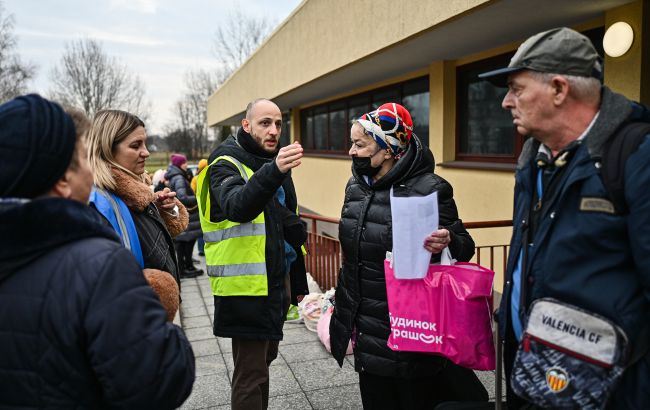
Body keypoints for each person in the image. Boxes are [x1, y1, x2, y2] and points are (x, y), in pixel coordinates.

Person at [479, 27, 650, 408]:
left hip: (608, 391)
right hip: (534, 374)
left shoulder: (636, 157)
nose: (507, 102)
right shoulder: (534, 161)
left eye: (517, 88)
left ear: (559, 89)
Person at [0, 94, 195, 408]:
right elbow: (160, 378)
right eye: (83, 158)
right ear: (64, 179)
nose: (92, 170)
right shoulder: (99, 256)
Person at [329, 103, 486, 409]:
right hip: (367, 325)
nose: (351, 151)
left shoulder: (429, 188)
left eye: (360, 145)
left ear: (388, 149)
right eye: (352, 143)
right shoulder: (355, 187)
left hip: (413, 328)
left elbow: (465, 245)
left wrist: (448, 240)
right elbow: (354, 257)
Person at [197, 98, 309, 410]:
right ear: (246, 125)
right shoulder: (225, 162)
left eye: (278, 123)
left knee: (264, 363)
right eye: (264, 123)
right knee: (250, 372)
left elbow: (284, 222)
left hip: (276, 279)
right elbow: (238, 206)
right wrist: (274, 171)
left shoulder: (270, 159)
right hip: (246, 286)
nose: (274, 130)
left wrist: (296, 282)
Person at [87, 110, 189, 318]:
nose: (146, 152)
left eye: (144, 143)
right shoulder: (98, 202)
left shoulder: (136, 193)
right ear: (107, 149)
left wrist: (163, 211)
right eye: (135, 145)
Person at [166, 153, 204, 278]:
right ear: (180, 164)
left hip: (182, 214)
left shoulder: (176, 176)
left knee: (183, 243)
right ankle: (187, 268)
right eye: (185, 163)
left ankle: (184, 268)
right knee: (187, 242)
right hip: (188, 216)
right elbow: (181, 197)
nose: (186, 165)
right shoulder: (179, 178)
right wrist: (198, 197)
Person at [191, 158, 209, 256]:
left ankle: (201, 249)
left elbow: (192, 190)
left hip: (198, 205)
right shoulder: (210, 175)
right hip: (209, 206)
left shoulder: (195, 178)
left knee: (200, 228)